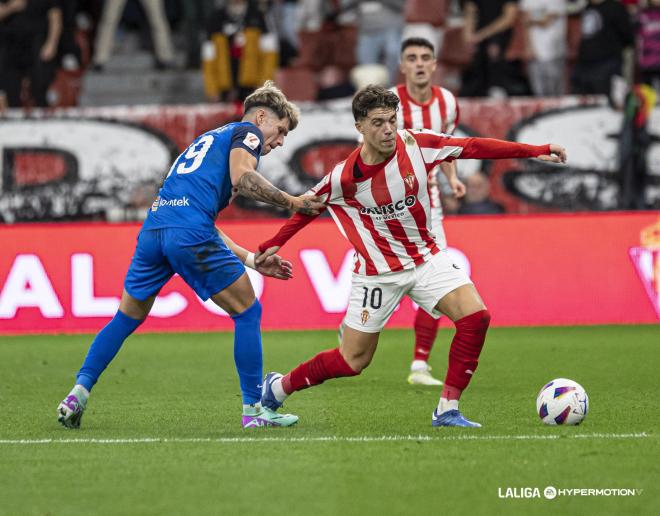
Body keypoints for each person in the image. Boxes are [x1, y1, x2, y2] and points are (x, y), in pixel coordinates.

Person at [256, 85, 566, 427]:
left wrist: (533, 150)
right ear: (359, 126)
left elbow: (472, 146)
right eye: (378, 123)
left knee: (476, 318)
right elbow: (306, 208)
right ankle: (279, 387)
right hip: (378, 274)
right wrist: (274, 243)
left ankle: (447, 408)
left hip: (425, 259)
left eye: (392, 120)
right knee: (352, 362)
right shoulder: (343, 177)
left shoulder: (418, 144)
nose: (388, 129)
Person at [56, 81, 325, 430]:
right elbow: (243, 179)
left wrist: (251, 260)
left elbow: (198, 217)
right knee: (247, 310)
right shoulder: (248, 133)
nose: (280, 141)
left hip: (155, 229)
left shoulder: (208, 140)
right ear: (262, 116)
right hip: (187, 232)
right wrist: (293, 201)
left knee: (126, 317)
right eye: (281, 130)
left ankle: (78, 393)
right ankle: (254, 410)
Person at [338, 37, 464, 386]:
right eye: (412, 58)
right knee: (382, 271)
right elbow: (366, 153)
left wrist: (453, 179)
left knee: (437, 278)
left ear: (435, 64)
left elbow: (447, 148)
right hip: (385, 208)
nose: (420, 63)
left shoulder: (448, 103)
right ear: (402, 66)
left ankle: (420, 364)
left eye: (426, 57)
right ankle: (355, 325)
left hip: (428, 205)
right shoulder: (387, 105)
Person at [0, 0, 62, 107]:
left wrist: (51, 43)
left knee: (39, 88)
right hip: (10, 45)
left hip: (37, 44)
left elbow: (55, 17)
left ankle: (43, 119)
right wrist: (11, 7)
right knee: (10, 90)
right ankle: (14, 120)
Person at [571, 0, 634, 95]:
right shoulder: (587, 7)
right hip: (584, 66)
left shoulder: (615, 8)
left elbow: (628, 38)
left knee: (608, 105)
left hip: (608, 65)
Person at [521, 0, 567, 96]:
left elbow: (546, 21)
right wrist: (529, 47)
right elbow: (525, 21)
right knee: (538, 94)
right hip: (535, 53)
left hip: (553, 53)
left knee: (555, 94)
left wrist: (531, 18)